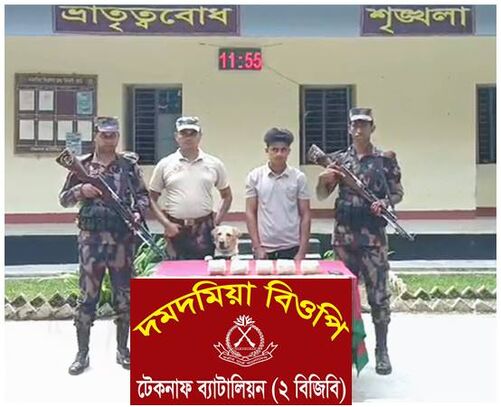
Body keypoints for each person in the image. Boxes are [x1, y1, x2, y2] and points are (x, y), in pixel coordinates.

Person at [315, 107, 404, 375]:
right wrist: (323, 179)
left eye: (364, 125)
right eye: (354, 125)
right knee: (342, 297)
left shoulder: (385, 160)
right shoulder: (339, 160)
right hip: (344, 238)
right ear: (349, 128)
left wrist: (384, 202)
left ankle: (382, 350)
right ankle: (344, 350)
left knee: (379, 296)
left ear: (372, 128)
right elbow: (322, 194)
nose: (358, 129)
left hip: (373, 239)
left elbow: (398, 192)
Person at [59, 116, 149, 375]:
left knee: (125, 298)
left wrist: (137, 213)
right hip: (91, 243)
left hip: (122, 242)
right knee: (87, 299)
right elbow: (63, 199)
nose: (109, 139)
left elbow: (143, 196)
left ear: (118, 137)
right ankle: (82, 354)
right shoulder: (82, 165)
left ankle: (123, 350)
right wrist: (81, 190)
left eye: (113, 135)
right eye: (104, 134)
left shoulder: (128, 166)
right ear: (96, 136)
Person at [148, 116, 232, 259]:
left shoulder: (214, 164)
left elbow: (227, 196)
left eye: (192, 133)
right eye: (183, 133)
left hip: (204, 229)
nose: (188, 137)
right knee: (175, 271)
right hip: (175, 228)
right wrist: (166, 224)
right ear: (176, 136)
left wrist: (216, 222)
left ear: (200, 136)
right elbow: (151, 198)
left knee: (204, 270)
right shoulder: (165, 164)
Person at [245, 128, 311, 260]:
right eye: (274, 150)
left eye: (283, 150)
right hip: (264, 248)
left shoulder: (299, 178)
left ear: (289, 151)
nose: (279, 154)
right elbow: (250, 212)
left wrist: (302, 251)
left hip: (292, 247)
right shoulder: (255, 177)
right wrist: (257, 247)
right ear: (267, 151)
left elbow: (305, 214)